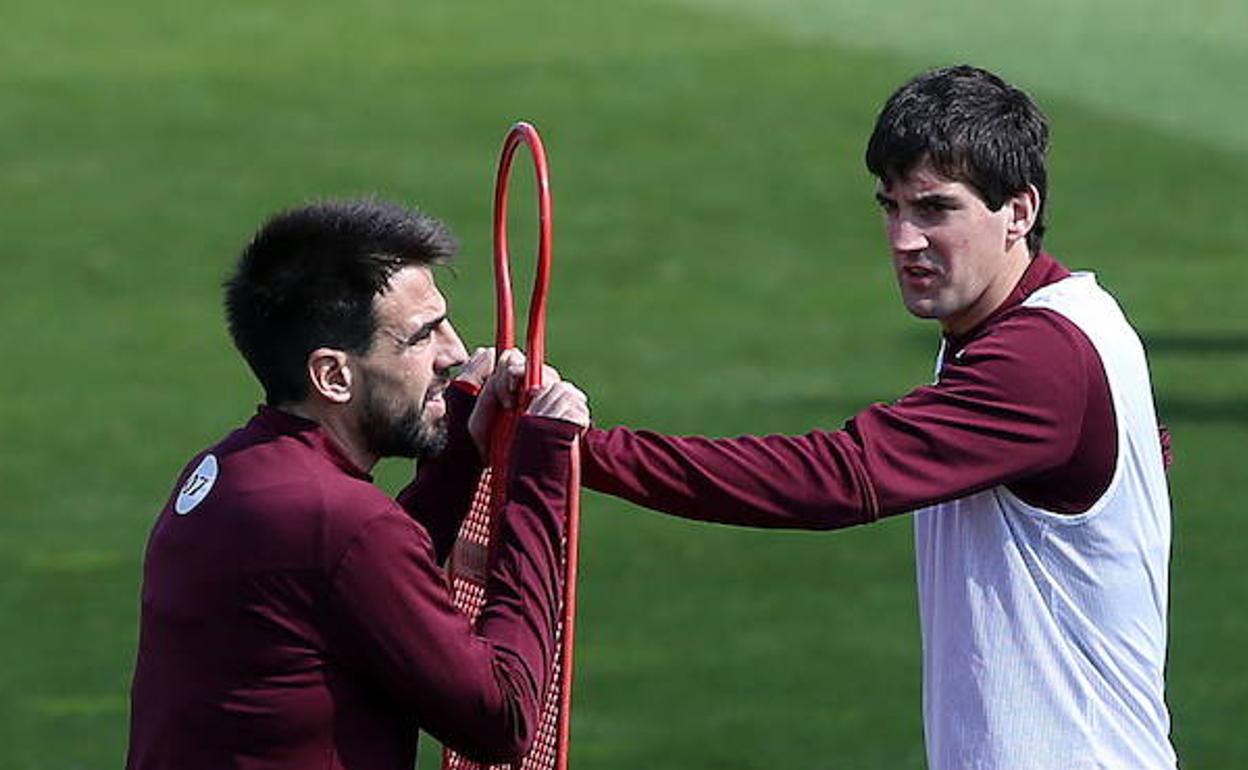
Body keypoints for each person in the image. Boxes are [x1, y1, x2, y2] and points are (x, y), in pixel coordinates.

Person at [576, 66, 1177, 769]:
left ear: (1018, 211)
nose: (902, 239)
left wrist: (581, 450)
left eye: (935, 209)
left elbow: (837, 478)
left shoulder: (1040, 360)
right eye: (891, 207)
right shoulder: (1071, 319)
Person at [125, 199, 589, 770]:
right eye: (422, 336)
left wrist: (464, 449)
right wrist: (537, 479)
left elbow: (353, 580)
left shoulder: (224, 473)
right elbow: (505, 720)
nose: (456, 353)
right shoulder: (342, 522)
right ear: (333, 375)